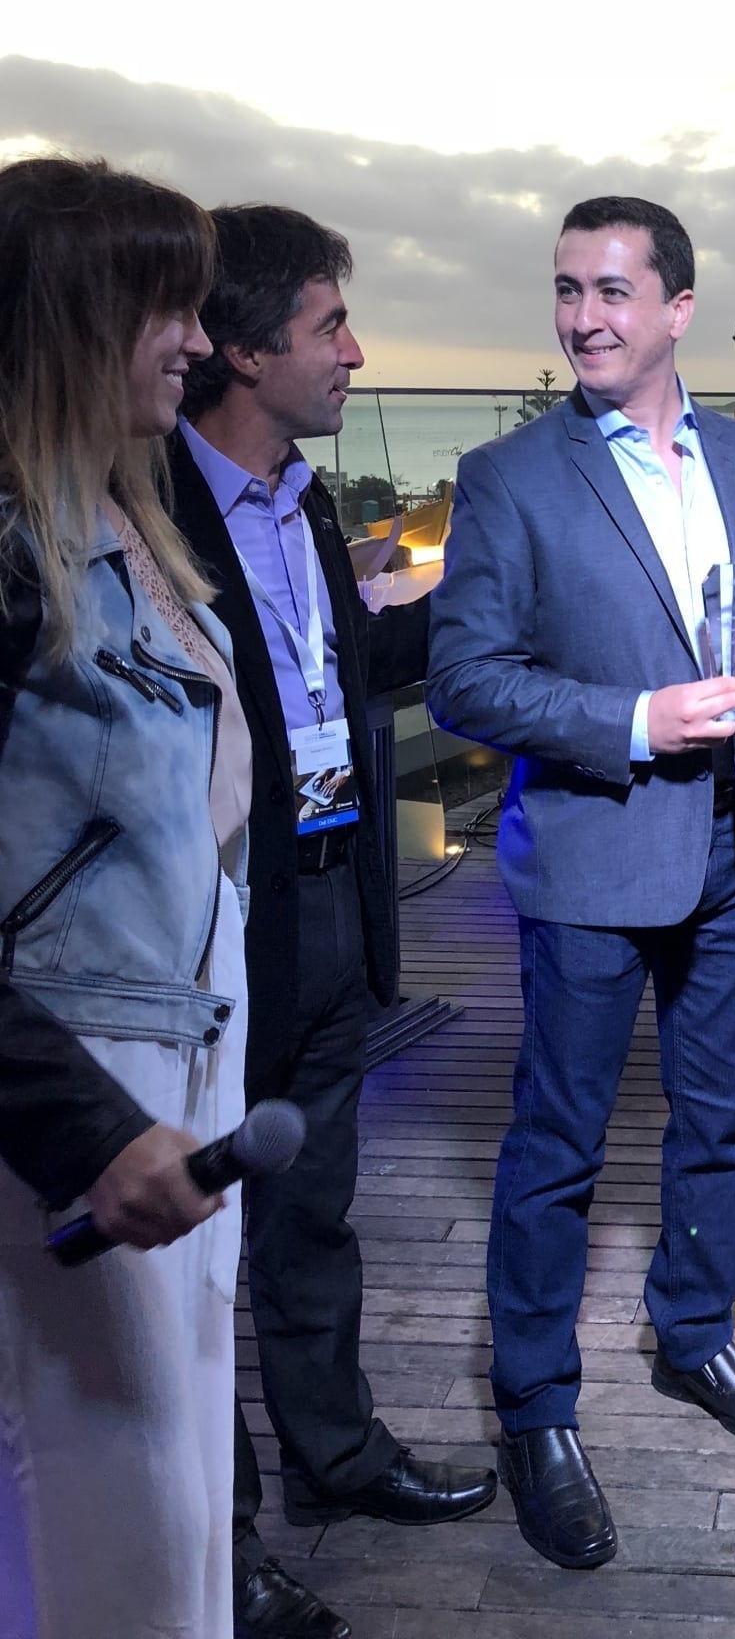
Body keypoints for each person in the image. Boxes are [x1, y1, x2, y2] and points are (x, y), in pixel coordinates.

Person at [427, 195, 735, 1570]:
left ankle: (696, 1338)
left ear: (678, 309)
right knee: (558, 1146)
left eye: (610, 291)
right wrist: (636, 721)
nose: (582, 318)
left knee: (720, 1124)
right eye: (566, 290)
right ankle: (537, 1411)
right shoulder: (509, 477)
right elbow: (466, 678)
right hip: (596, 852)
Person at [170, 204, 495, 1639]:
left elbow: (345, 669)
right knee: (200, 1257)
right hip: (215, 929)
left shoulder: (301, 498)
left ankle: (339, 1456)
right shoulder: (146, 510)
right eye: (331, 326)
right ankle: (220, 1543)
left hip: (332, 902)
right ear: (243, 350)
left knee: (313, 1221)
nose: (356, 354)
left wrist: (486, 588)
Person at [0, 155, 250, 1639]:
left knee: (179, 1510)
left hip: (180, 1072)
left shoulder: (122, 523)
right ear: (79, 318)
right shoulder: (13, 550)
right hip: (77, 1093)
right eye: (171, 309)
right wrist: (86, 1131)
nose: (200, 343)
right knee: (112, 1532)